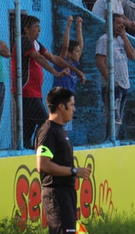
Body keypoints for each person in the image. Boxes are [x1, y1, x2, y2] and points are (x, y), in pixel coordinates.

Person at [11, 15, 84, 148]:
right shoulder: (24, 41)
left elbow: (53, 58)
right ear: (26, 29)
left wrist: (76, 71)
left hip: (35, 92)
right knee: (46, 122)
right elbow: (38, 58)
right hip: (25, 91)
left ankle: (28, 149)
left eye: (39, 27)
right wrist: (55, 73)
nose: (39, 30)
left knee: (29, 125)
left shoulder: (36, 43)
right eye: (36, 27)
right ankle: (42, 148)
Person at [35, 87, 91, 234]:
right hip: (56, 195)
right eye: (71, 105)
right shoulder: (47, 132)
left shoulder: (60, 131)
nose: (74, 109)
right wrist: (73, 171)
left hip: (67, 194)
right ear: (61, 106)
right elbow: (43, 165)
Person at [95, 13, 135, 139]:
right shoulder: (104, 40)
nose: (121, 25)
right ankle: (110, 140)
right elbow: (100, 62)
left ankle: (114, 139)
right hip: (112, 85)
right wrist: (111, 80)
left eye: (123, 23)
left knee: (119, 117)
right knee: (114, 116)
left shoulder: (121, 39)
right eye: (118, 23)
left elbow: (132, 56)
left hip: (124, 83)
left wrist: (124, 36)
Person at [52, 16, 85, 133]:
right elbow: (65, 46)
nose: (78, 53)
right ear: (69, 54)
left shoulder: (75, 64)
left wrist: (79, 25)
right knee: (60, 129)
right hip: (59, 99)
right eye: (76, 51)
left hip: (68, 100)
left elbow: (81, 44)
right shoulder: (62, 62)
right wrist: (68, 25)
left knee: (65, 130)